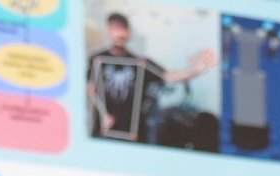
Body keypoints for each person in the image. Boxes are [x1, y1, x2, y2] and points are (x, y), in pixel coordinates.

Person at [84, 11, 205, 144]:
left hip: (134, 137)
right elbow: (90, 89)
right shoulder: (96, 59)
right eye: (116, 28)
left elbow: (168, 76)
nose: (120, 33)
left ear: (129, 32)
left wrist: (196, 70)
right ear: (108, 30)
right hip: (103, 133)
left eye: (124, 28)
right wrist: (103, 114)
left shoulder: (141, 63)